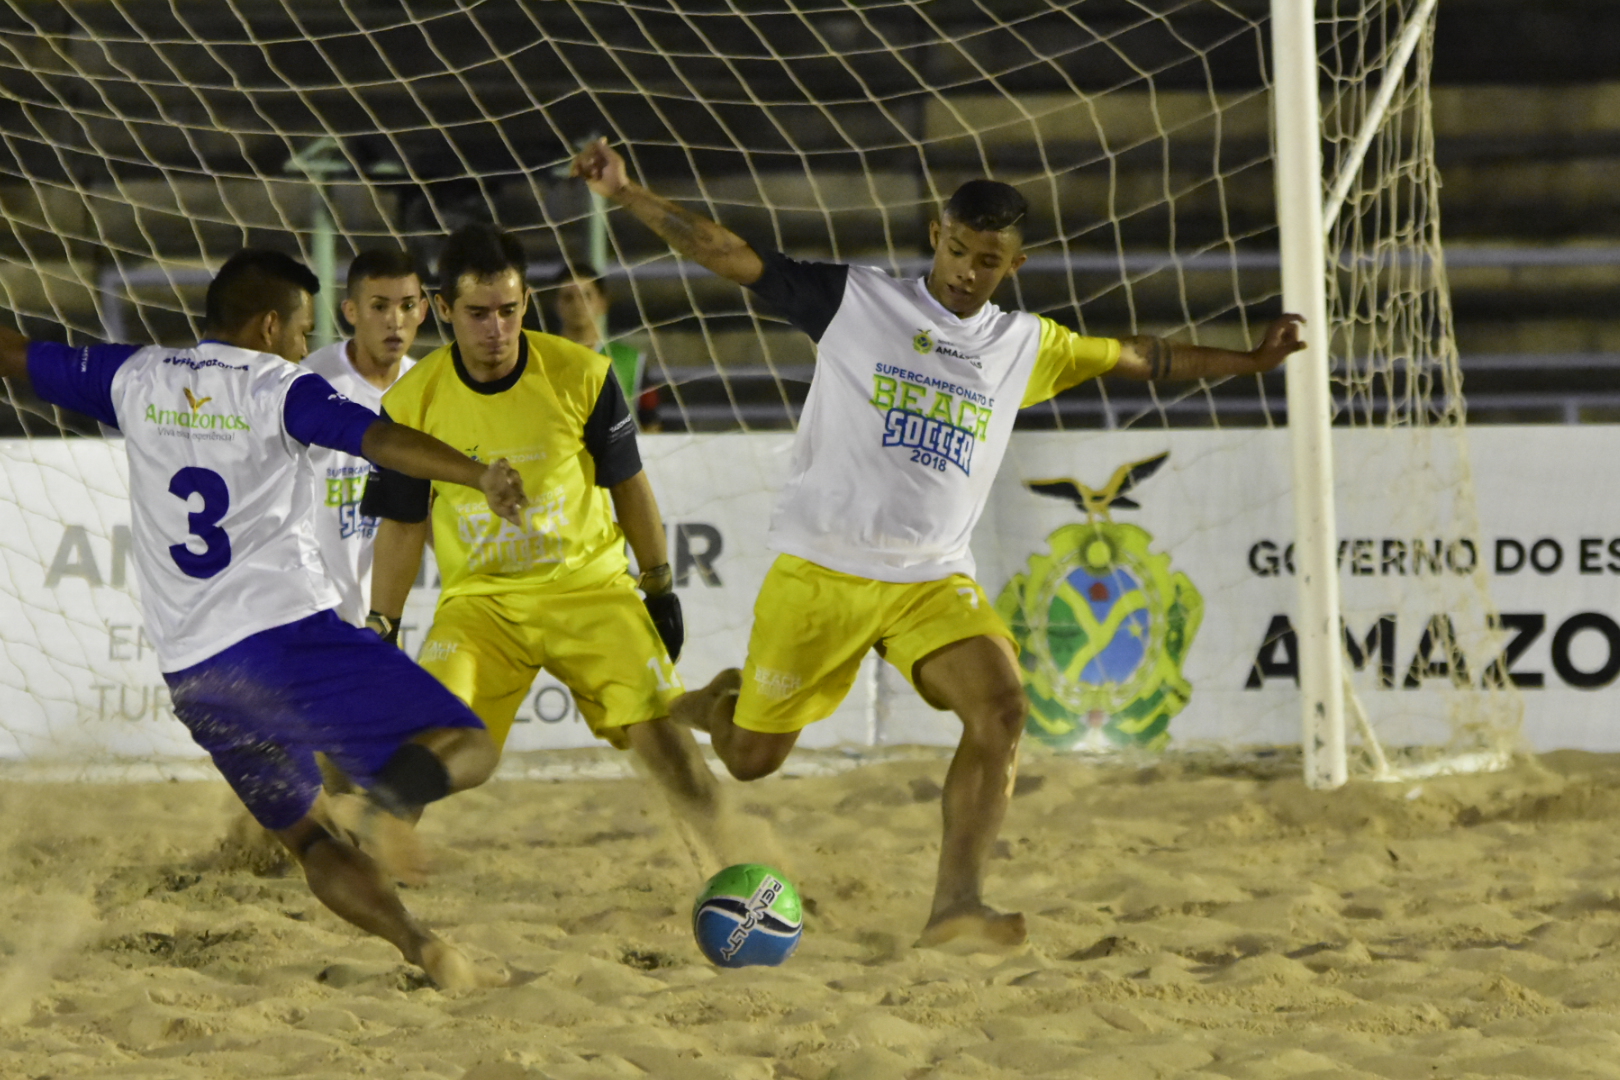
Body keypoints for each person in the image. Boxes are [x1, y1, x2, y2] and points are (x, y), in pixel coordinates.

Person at [572, 137, 1306, 949]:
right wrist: (629, 192)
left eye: (987, 260)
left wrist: (1250, 361)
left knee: (1003, 710)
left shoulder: (1027, 345)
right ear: (935, 235)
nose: (966, 270)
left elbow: (1142, 357)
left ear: (1013, 264)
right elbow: (731, 255)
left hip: (930, 578)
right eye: (957, 249)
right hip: (824, 571)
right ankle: (701, 705)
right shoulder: (858, 301)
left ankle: (955, 906)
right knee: (749, 757)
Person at [0, 249, 527, 989]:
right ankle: (384, 809)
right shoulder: (279, 386)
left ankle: (427, 951)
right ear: (270, 325)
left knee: (308, 842)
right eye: (301, 329)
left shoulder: (136, 375)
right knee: (468, 745)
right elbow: (378, 441)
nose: (303, 344)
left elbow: (15, 353)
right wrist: (477, 474)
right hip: (284, 639)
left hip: (195, 672)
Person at [361, 223, 728, 870]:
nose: (495, 330)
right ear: (443, 309)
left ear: (527, 301)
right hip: (482, 605)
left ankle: (736, 858)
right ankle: (374, 840)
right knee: (436, 731)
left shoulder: (583, 374)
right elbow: (404, 524)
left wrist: (659, 584)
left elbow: (629, 486)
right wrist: (383, 626)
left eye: (508, 310)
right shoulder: (411, 402)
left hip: (590, 589)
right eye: (477, 314)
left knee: (661, 737)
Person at [300, 249, 429, 625]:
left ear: (423, 310)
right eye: (379, 306)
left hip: (386, 612)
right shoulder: (310, 384)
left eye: (407, 306)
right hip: (314, 609)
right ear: (351, 311)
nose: (395, 321)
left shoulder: (428, 390)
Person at [550, 265, 661, 430]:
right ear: (557, 305)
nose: (577, 304)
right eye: (568, 297)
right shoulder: (540, 357)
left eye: (586, 296)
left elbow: (651, 425)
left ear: (602, 303)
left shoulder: (631, 361)